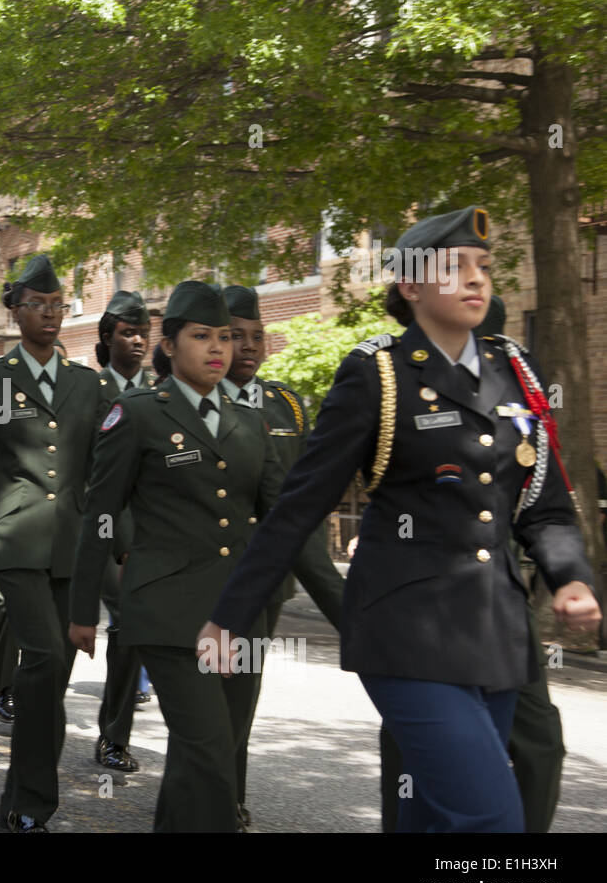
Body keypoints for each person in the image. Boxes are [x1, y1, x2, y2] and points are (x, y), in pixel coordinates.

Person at [201, 206, 601, 832]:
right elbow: (299, 504)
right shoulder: (377, 374)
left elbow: (542, 503)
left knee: (434, 819)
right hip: (406, 631)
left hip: (496, 632)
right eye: (455, 267)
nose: (476, 279)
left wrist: (571, 577)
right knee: (492, 818)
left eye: (485, 268)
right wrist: (228, 618)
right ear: (410, 287)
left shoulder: (516, 369)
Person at [68, 279, 282, 832]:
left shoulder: (249, 420)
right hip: (167, 611)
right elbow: (101, 513)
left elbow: (280, 518)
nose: (218, 348)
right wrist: (82, 610)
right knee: (209, 750)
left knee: (207, 752)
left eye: (225, 337)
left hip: (237, 612)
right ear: (169, 345)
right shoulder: (137, 413)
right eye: (201, 336)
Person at [375, 292, 568, 832]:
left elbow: (539, 498)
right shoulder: (389, 383)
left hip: (497, 602)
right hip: (418, 607)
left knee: (539, 744)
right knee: (418, 759)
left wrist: (569, 576)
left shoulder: (514, 391)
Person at [0, 254, 108, 832]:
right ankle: (30, 803)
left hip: (71, 546)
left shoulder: (86, 385)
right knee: (44, 657)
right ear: (14, 309)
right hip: (11, 542)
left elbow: (102, 471)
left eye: (57, 305)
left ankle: (25, 800)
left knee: (52, 677)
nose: (49, 314)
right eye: (37, 305)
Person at [220, 283, 346, 826]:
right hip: (212, 573)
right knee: (204, 702)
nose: (248, 346)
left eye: (256, 336)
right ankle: (199, 797)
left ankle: (229, 798)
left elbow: (307, 492)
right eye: (234, 336)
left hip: (270, 579)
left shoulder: (286, 404)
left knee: (242, 696)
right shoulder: (195, 403)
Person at [91, 290, 157, 774]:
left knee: (130, 626)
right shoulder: (88, 392)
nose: (137, 341)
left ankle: (113, 736)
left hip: (144, 540)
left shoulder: (163, 393)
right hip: (89, 532)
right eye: (127, 333)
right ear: (107, 338)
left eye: (142, 333)